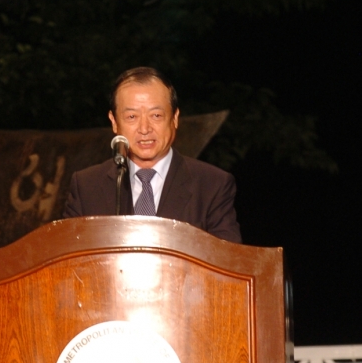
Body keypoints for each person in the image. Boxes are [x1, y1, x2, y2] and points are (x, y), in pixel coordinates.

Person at [63, 66, 242, 242]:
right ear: (114, 122)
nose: (144, 129)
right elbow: (66, 260)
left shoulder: (212, 185)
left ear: (175, 119)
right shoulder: (86, 186)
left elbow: (228, 263)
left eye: (156, 115)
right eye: (132, 117)